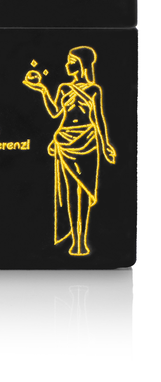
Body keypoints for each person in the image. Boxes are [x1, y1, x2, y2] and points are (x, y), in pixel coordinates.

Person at [23, 46, 116, 256]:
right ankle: (75, 240)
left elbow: (99, 120)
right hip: (65, 142)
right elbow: (55, 113)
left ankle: (83, 240)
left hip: (88, 141)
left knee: (85, 190)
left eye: (71, 61)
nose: (67, 65)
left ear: (82, 65)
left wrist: (105, 145)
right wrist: (42, 89)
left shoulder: (94, 90)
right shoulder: (64, 88)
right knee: (71, 192)